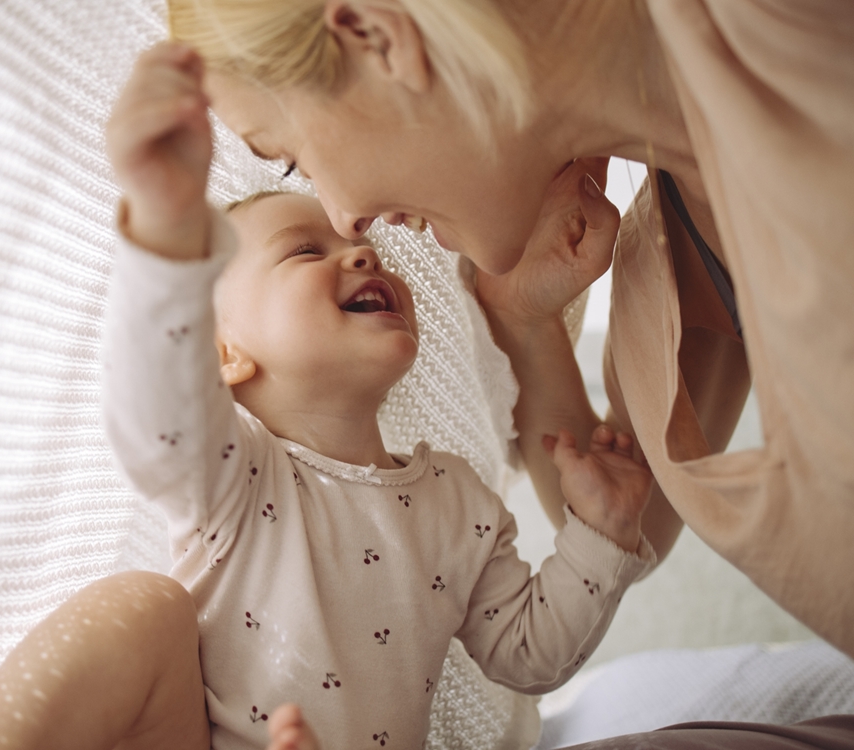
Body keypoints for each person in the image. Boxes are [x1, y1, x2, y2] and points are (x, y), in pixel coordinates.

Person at [0, 45, 657, 750]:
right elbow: (155, 416)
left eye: (368, 257)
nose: (360, 254)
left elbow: (528, 654)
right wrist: (167, 231)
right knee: (139, 609)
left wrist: (601, 535)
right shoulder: (235, 473)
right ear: (224, 354)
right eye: (303, 252)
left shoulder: (457, 500)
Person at [166, 0, 854, 662]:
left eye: (293, 157)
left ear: (377, 38)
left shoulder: (788, 30)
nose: (347, 220)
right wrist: (523, 320)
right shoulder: (671, 250)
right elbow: (635, 516)